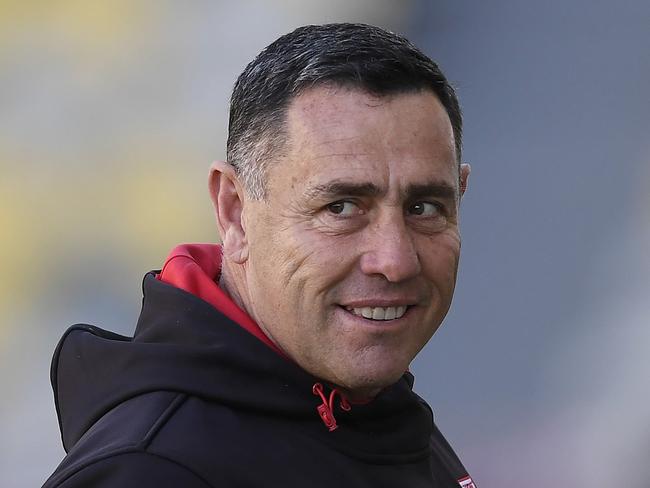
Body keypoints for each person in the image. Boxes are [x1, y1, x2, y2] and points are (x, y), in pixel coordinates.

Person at [43, 23, 476, 488]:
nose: (395, 261)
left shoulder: (377, 413)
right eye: (341, 207)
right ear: (234, 213)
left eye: (424, 207)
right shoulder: (150, 472)